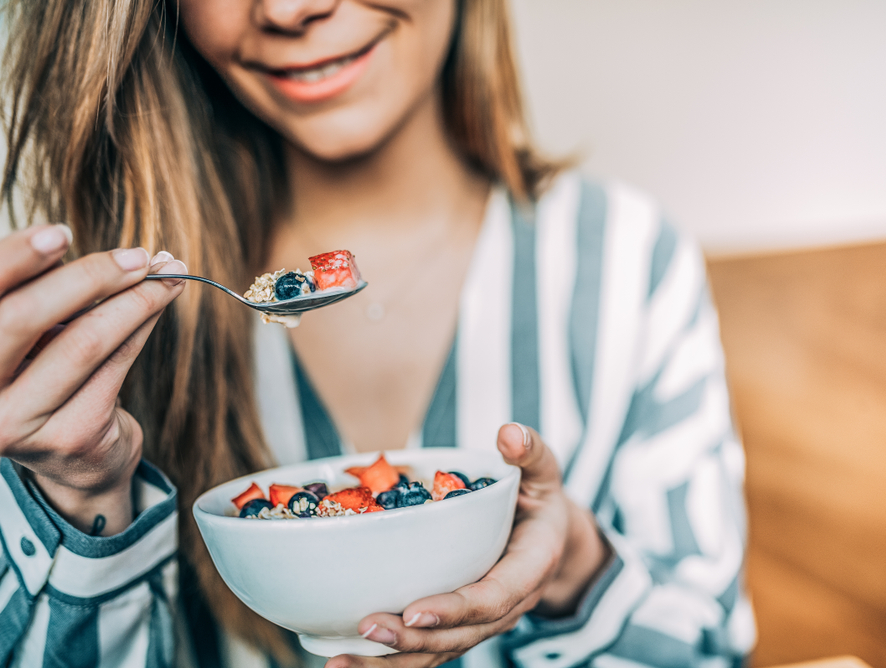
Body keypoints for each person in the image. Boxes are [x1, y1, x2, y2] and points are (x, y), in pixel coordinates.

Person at [0, 0, 755, 666]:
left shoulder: (628, 259)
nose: (291, 8)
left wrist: (569, 566)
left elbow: (707, 648)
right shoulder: (97, 334)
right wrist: (78, 496)